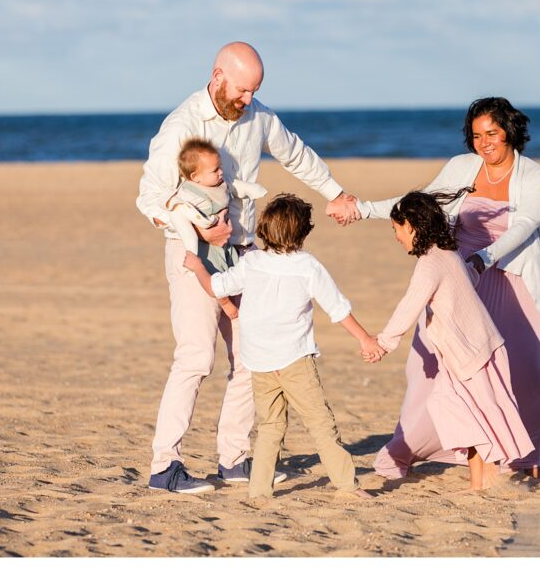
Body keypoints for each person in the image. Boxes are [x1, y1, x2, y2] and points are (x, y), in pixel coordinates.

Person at [137, 42, 361, 494]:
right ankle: (165, 467)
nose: (245, 100)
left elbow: (295, 154)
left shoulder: (258, 115)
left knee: (250, 359)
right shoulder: (181, 126)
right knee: (196, 358)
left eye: (253, 91)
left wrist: (334, 193)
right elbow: (149, 199)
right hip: (192, 256)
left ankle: (234, 459)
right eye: (240, 90)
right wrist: (201, 232)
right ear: (217, 75)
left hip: (245, 255)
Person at [353, 96, 540, 480]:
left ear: (510, 131)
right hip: (460, 281)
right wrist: (363, 209)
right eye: (477, 135)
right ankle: (411, 447)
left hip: (512, 279)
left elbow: (525, 225)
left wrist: (485, 256)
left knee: (527, 372)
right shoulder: (461, 167)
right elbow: (419, 205)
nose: (485, 142)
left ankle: (525, 460)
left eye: (492, 133)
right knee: (428, 370)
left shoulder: (535, 176)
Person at [184, 193, 382, 502]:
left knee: (270, 427)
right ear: (303, 232)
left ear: (264, 229)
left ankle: (259, 491)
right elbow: (337, 308)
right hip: (294, 361)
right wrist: (365, 339)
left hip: (259, 361)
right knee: (320, 423)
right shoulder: (307, 266)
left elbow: (216, 287)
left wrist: (197, 267)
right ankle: (347, 487)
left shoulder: (252, 262)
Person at [373, 190, 534, 491]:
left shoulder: (430, 264)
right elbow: (466, 282)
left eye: (396, 228)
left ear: (411, 225)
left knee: (469, 415)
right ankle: (482, 480)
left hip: (471, 355)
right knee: (470, 415)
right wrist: (475, 267)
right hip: (474, 351)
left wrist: (383, 342)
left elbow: (410, 305)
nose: (396, 236)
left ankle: (483, 480)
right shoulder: (448, 254)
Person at [164, 137, 267, 320]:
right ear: (196, 177)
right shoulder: (190, 192)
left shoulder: (219, 184)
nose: (221, 173)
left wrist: (252, 190)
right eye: (215, 170)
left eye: (220, 167)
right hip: (207, 247)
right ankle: (225, 303)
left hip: (227, 244)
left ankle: (241, 298)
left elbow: (234, 187)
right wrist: (204, 225)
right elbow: (180, 212)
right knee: (215, 274)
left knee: (234, 268)